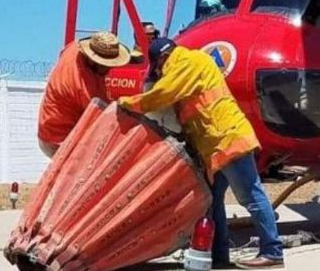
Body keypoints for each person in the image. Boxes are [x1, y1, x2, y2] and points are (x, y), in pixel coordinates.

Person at [118, 39, 284, 269]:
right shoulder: (188, 65)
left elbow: (163, 93)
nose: (159, 74)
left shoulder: (187, 63)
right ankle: (219, 257)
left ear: (161, 61)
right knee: (212, 202)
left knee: (251, 197)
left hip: (228, 139)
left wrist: (127, 103)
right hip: (216, 147)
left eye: (158, 70)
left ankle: (272, 251)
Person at [37, 31, 131, 158]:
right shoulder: (84, 88)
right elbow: (105, 122)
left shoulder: (73, 48)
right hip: (60, 140)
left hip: (49, 131)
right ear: (92, 60)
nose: (110, 69)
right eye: (106, 65)